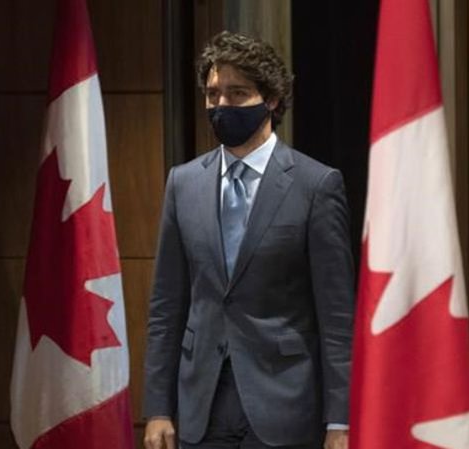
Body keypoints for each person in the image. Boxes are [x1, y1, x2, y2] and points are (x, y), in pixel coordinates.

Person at [143, 31, 355, 449]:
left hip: (284, 403)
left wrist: (340, 421)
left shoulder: (316, 185)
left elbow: (336, 317)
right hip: (201, 405)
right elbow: (166, 306)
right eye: (213, 95)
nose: (221, 105)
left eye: (237, 94)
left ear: (271, 99)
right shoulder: (183, 183)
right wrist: (157, 409)